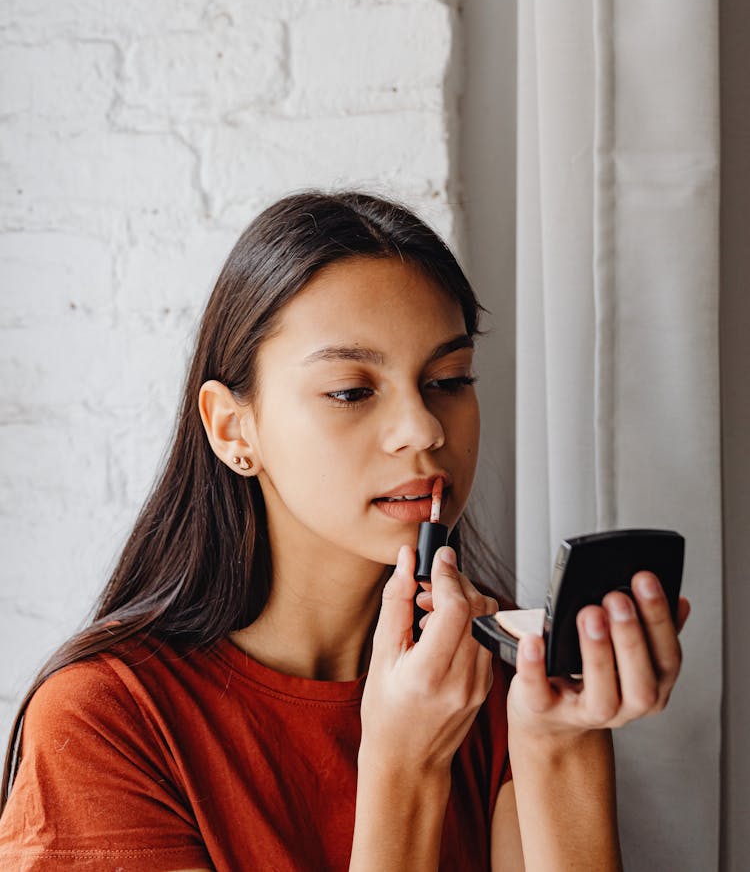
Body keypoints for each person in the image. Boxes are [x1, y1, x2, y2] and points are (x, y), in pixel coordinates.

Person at [0, 190, 689, 871]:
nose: (425, 428)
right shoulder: (105, 722)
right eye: (352, 391)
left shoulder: (496, 680)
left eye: (449, 379)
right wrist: (403, 767)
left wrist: (560, 743)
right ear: (233, 428)